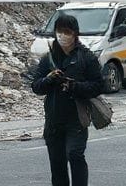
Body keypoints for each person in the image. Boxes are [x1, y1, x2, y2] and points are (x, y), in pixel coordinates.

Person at [32, 13, 104, 186]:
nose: (63, 35)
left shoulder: (86, 57)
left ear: (75, 34)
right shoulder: (48, 58)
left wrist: (75, 87)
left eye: (67, 32)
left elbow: (98, 86)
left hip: (77, 119)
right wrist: (48, 79)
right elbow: (36, 87)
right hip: (53, 120)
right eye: (59, 31)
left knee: (75, 155)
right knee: (57, 164)